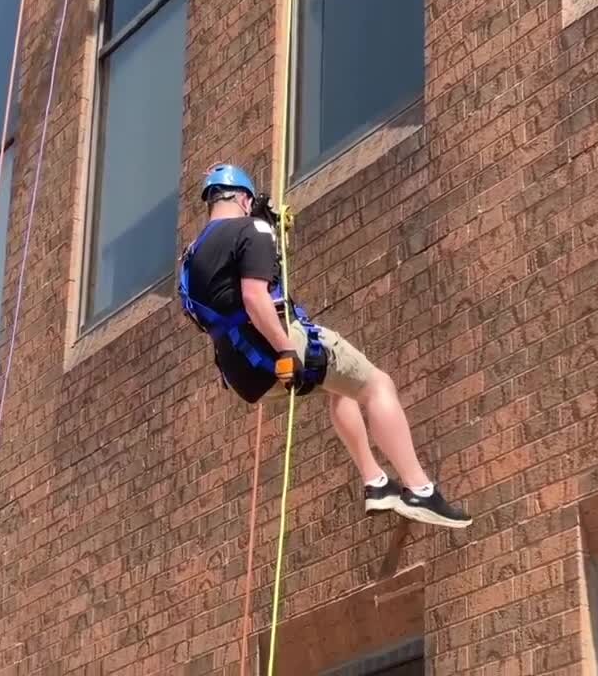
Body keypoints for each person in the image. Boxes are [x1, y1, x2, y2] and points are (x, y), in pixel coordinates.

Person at [179, 164, 472, 528]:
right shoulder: (251, 228)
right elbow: (254, 298)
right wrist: (286, 348)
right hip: (278, 349)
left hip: (242, 371)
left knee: (340, 387)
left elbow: (215, 309)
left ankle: (376, 483)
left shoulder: (190, 258)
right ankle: (420, 489)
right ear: (244, 199)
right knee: (377, 384)